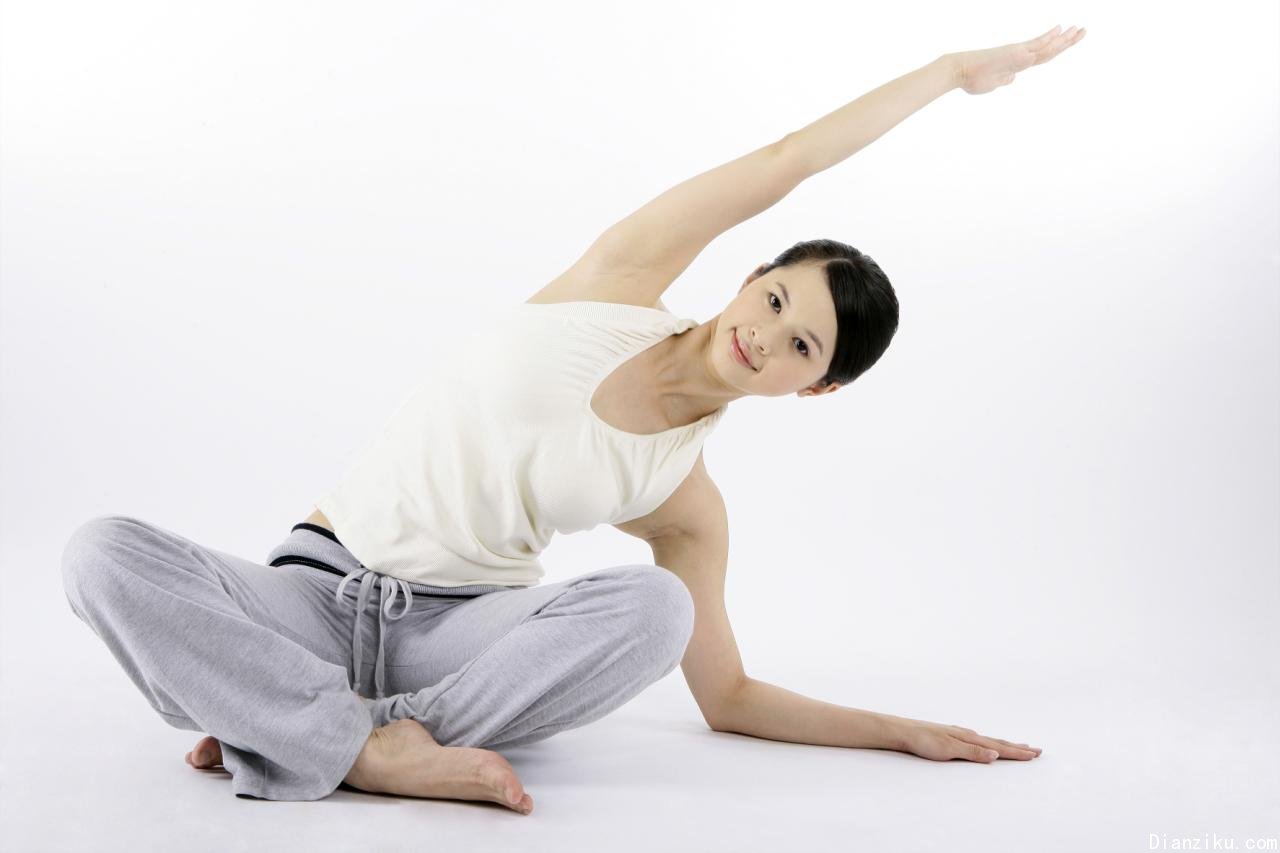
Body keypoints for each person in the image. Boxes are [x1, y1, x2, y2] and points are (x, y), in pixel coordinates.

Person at [60, 25, 1084, 815]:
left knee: (658, 610)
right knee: (101, 554)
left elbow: (726, 695)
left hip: (456, 638)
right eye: (775, 301)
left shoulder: (684, 501)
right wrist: (949, 72)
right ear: (749, 277)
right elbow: (789, 157)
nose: (766, 336)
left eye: (802, 347)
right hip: (309, 593)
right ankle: (358, 744)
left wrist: (900, 732)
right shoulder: (617, 280)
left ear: (813, 389)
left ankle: (302, 724)